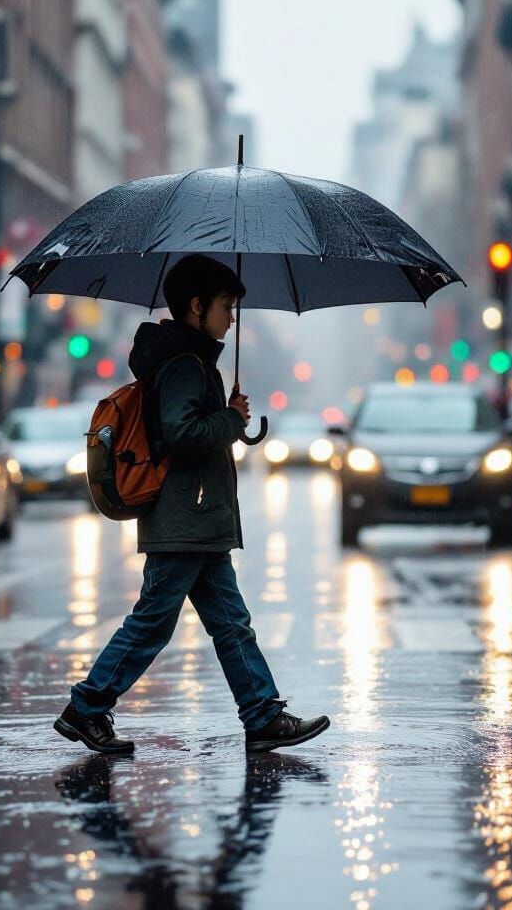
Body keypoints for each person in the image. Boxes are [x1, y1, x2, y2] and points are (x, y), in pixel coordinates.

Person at [53, 254, 330, 755]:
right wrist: (227, 419)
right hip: (184, 518)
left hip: (196, 519)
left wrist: (227, 418)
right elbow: (182, 433)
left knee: (230, 623)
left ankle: (263, 714)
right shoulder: (184, 365)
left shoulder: (191, 360)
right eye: (227, 306)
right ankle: (87, 707)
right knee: (154, 622)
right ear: (197, 307)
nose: (232, 318)